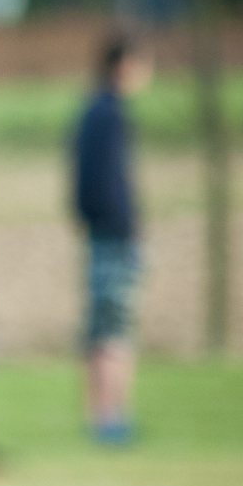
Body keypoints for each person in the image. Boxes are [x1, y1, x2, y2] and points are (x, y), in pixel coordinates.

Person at [71, 34, 153, 445]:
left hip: (98, 233)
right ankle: (111, 418)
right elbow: (109, 183)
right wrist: (127, 227)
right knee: (115, 329)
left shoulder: (91, 111)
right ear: (124, 65)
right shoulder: (111, 115)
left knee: (102, 327)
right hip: (114, 237)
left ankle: (100, 416)